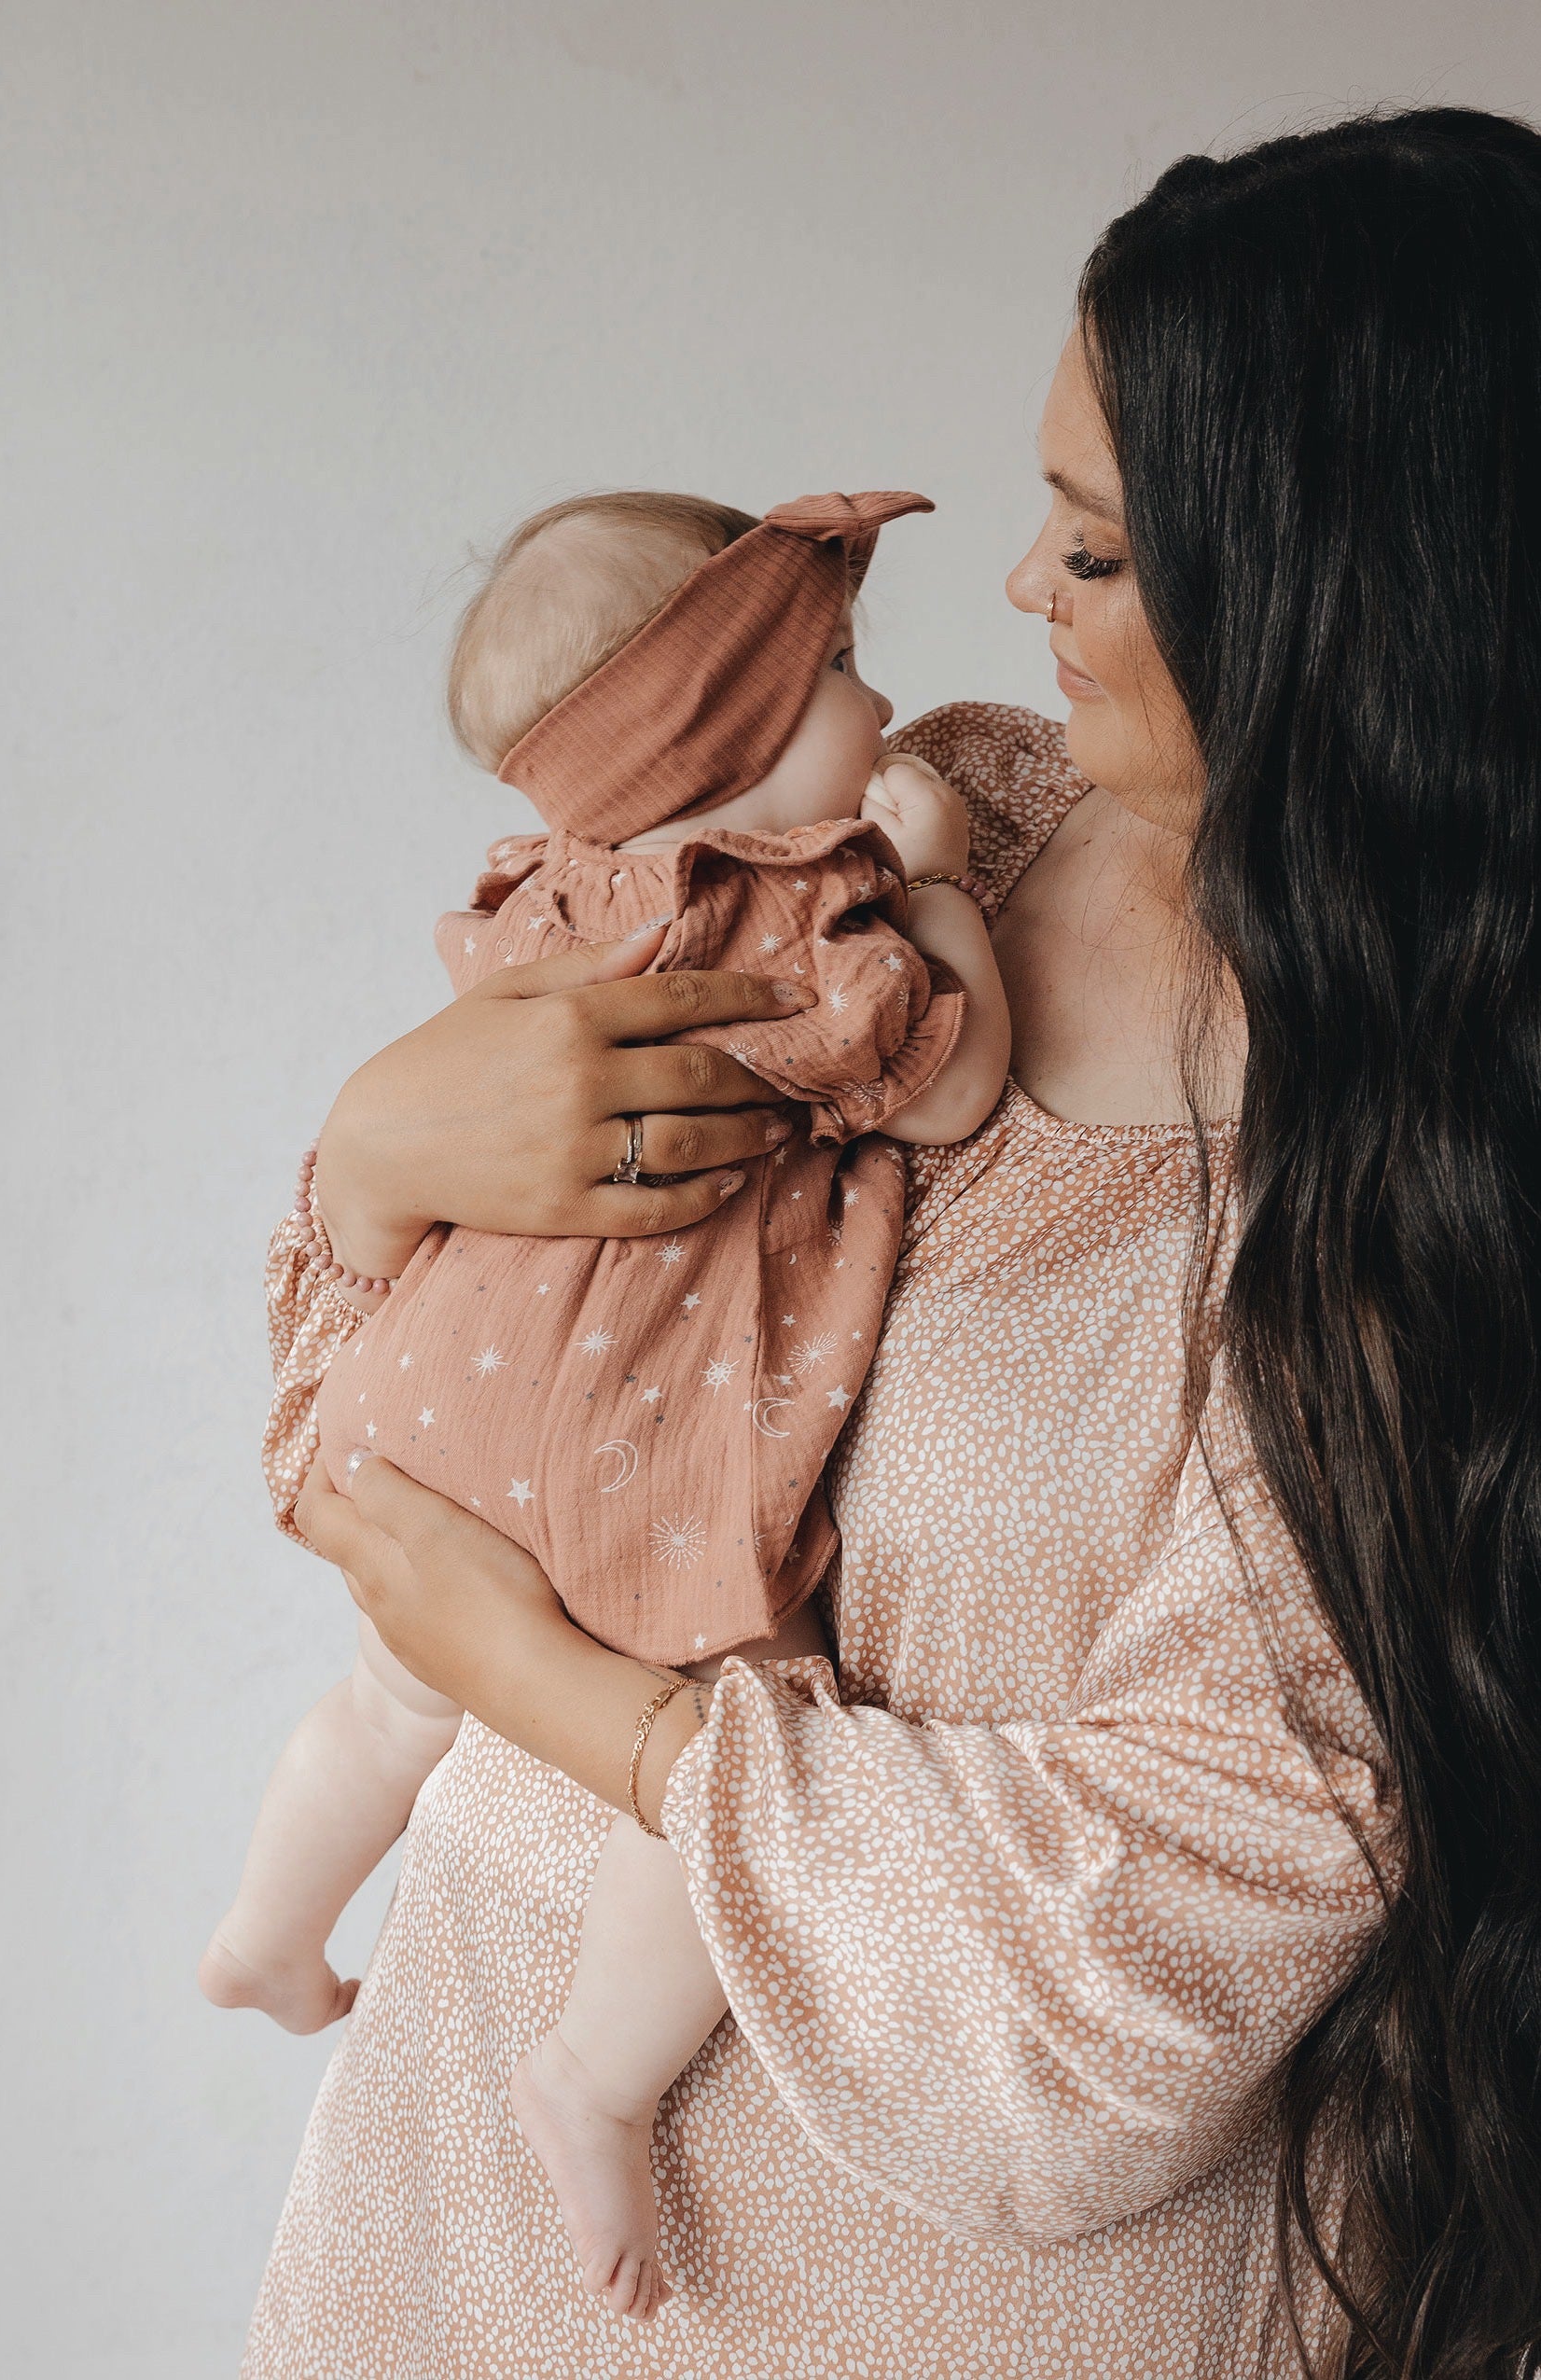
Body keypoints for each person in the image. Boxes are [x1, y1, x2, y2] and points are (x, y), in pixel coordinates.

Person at [239, 107, 1541, 2380]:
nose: (1023, 595)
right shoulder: (922, 824)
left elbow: (1104, 2008)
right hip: (454, 2221)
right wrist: (368, 1166)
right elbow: (402, 1420)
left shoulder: (1425, 1212)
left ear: (1345, 598)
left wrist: (563, 1694)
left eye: (1104, 549)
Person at [201, 484, 1011, 2321]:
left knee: (388, 1691)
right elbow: (949, 1090)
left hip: (430, 1404)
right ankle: (596, 2070)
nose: (878, 712)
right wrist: (942, 881)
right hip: (623, 1435)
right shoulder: (796, 923)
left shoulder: (541, 899)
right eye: (836, 676)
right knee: (734, 1740)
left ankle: (264, 1929)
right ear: (715, 742)